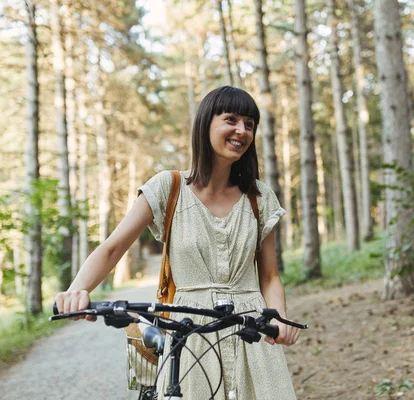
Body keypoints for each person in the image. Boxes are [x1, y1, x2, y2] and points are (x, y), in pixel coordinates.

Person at [54, 86, 300, 399]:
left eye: (249, 124)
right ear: (205, 124)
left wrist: (277, 318)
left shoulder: (260, 198)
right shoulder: (167, 187)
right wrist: (77, 291)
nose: (242, 130)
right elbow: (112, 248)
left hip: (251, 329)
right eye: (232, 120)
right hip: (188, 329)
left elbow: (269, 276)